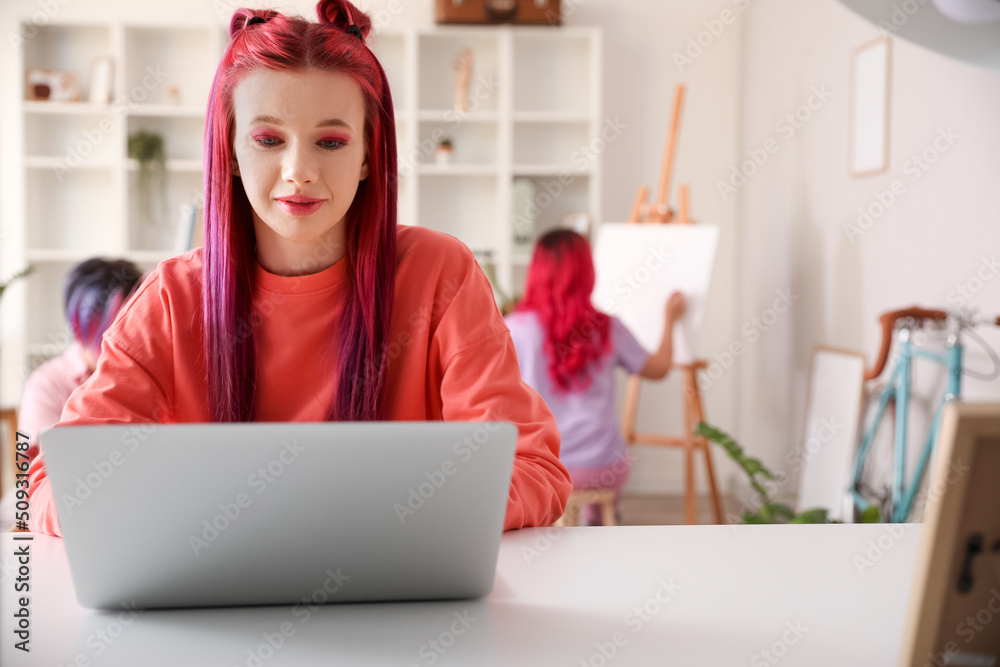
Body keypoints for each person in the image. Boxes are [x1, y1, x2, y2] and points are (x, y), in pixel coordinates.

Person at [26, 0, 570, 536]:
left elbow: (531, 468)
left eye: (331, 142)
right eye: (268, 140)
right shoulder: (170, 299)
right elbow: (57, 483)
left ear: (367, 155)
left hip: (393, 588)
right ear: (230, 151)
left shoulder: (440, 273)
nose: (299, 171)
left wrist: (398, 515)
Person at [505, 229, 685, 525]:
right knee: (603, 485)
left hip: (542, 468)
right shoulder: (607, 327)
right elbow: (659, 368)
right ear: (587, 272)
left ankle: (562, 529)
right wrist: (670, 320)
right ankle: (598, 522)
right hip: (602, 466)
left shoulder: (513, 329)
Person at [19, 258, 143, 469]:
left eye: (130, 321)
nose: (119, 335)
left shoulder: (149, 376)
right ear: (77, 323)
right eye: (108, 323)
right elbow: (39, 472)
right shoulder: (46, 385)